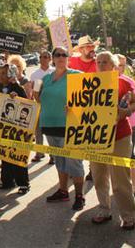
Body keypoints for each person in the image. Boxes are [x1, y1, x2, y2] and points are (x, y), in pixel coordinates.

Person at [90, 51, 135, 230]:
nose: (101, 65)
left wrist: (127, 111)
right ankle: (104, 209)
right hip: (96, 137)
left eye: (105, 62)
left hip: (120, 136)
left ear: (113, 66)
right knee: (98, 174)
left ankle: (127, 215)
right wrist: (71, 109)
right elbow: (81, 107)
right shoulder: (88, 84)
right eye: (98, 62)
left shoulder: (123, 82)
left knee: (121, 178)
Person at [37, 46, 85, 210]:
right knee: (59, 161)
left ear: (68, 57)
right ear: (52, 58)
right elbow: (38, 100)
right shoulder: (46, 78)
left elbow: (89, 96)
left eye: (64, 54)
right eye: (57, 55)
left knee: (74, 162)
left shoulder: (76, 75)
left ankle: (79, 196)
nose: (60, 57)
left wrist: (75, 106)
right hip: (49, 125)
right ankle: (63, 191)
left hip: (69, 126)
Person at [0, 64, 30, 194]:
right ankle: (7, 181)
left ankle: (23, 184)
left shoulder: (17, 87)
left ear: (10, 74)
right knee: (5, 154)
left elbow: (27, 105)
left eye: (3, 73)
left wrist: (17, 97)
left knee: (17, 155)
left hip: (16, 129)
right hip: (3, 128)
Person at [68, 35, 97, 181]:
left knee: (92, 139)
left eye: (93, 46)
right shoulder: (72, 61)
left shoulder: (98, 63)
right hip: (75, 107)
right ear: (81, 49)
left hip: (94, 107)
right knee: (76, 140)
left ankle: (93, 169)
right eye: (89, 47)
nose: (92, 49)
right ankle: (76, 170)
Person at [116, 54, 135, 196]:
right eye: (116, 65)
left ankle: (134, 183)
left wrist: (126, 111)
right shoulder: (103, 80)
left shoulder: (128, 81)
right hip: (115, 125)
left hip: (132, 123)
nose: (118, 68)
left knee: (130, 154)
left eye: (121, 65)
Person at [29, 50, 55, 163]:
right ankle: (39, 153)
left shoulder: (55, 72)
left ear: (50, 59)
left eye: (45, 57)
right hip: (39, 105)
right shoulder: (35, 74)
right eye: (41, 57)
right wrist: (39, 102)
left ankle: (53, 155)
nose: (43, 59)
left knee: (51, 132)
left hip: (53, 107)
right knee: (38, 131)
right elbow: (34, 91)